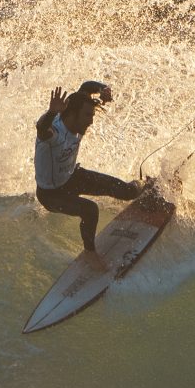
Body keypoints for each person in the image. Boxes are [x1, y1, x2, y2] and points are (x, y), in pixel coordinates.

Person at [34, 81, 144, 270]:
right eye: (87, 116)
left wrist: (102, 89)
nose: (91, 121)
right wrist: (52, 112)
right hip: (51, 194)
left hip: (72, 177)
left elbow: (86, 86)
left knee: (127, 191)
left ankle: (147, 185)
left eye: (92, 115)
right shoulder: (54, 132)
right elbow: (41, 129)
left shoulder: (77, 111)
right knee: (90, 210)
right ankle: (90, 254)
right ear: (72, 114)